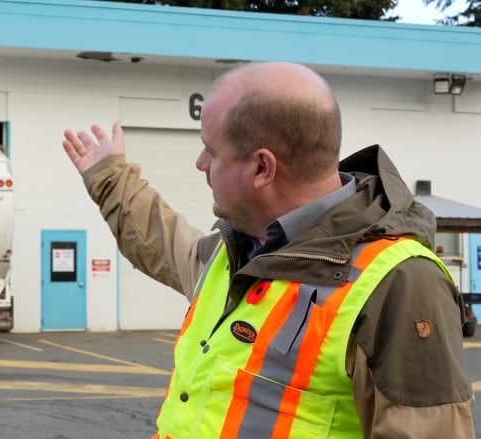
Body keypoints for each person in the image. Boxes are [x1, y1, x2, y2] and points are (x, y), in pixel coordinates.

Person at [62, 61, 475, 438]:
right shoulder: (241, 249)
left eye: (211, 149)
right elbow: (164, 244)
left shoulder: (400, 283)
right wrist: (109, 177)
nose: (200, 163)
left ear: (262, 168)